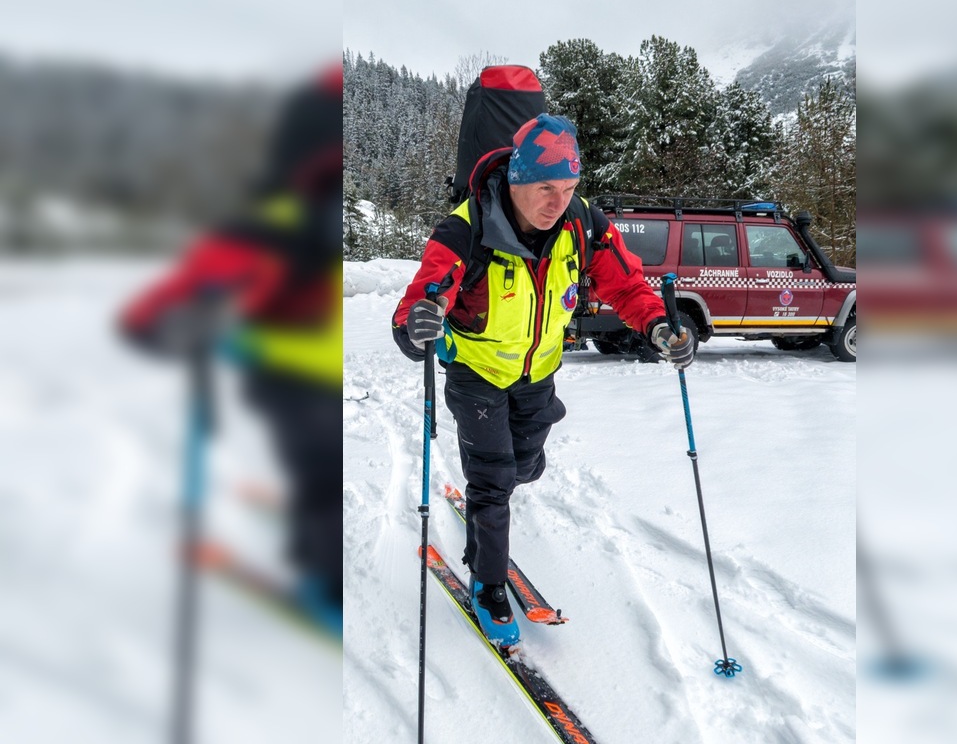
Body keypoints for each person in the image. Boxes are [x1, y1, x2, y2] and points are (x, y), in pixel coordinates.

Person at [391, 113, 694, 644]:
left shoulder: (583, 225)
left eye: (571, 187)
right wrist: (417, 322)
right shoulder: (466, 229)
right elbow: (422, 300)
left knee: (526, 466)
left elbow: (627, 286)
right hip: (477, 374)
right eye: (546, 188)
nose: (558, 202)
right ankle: (488, 583)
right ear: (516, 179)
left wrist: (660, 325)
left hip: (538, 373)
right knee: (495, 479)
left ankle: (494, 501)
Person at [118, 65, 344, 633]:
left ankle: (313, 535)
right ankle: (326, 577)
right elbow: (150, 314)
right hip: (290, 375)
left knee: (323, 469)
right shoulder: (271, 227)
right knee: (322, 471)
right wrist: (171, 325)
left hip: (316, 373)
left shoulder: (278, 219)